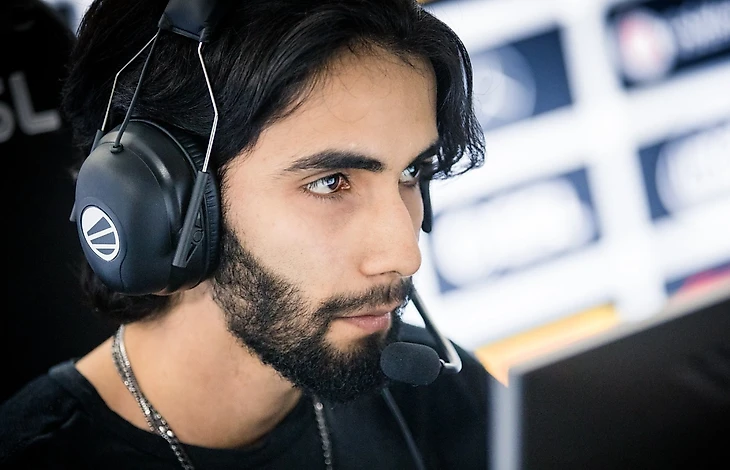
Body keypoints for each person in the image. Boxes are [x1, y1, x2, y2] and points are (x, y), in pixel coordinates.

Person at [0, 0, 489, 468]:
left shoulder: (446, 403)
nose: (404, 255)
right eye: (330, 182)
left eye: (411, 172)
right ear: (160, 207)